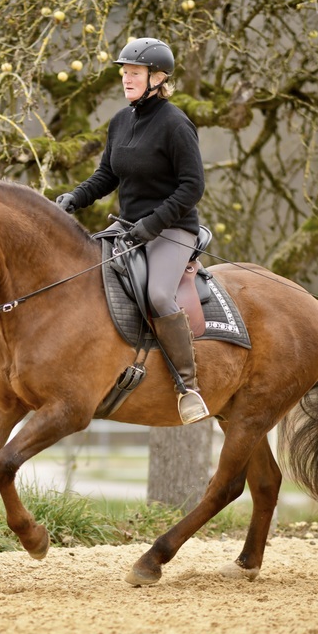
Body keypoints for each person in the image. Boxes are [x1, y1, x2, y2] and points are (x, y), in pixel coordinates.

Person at [55, 37, 210, 424]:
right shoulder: (121, 120)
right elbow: (107, 175)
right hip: (127, 229)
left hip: (171, 230)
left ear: (157, 78)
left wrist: (153, 224)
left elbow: (192, 186)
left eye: (134, 73)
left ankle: (188, 386)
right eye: (124, 73)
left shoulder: (176, 124)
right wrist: (75, 198)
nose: (126, 79)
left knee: (158, 294)